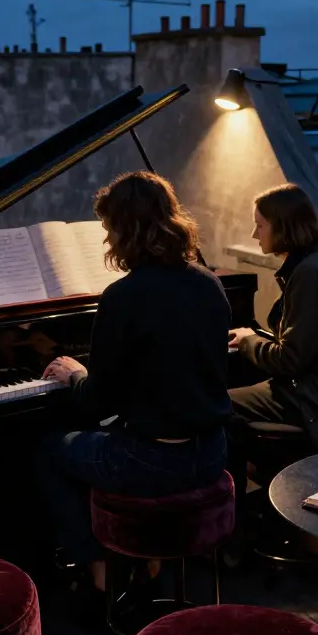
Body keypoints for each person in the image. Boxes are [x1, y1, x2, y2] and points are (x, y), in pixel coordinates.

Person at [35, 171, 232, 597]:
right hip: (212, 452)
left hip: (152, 462)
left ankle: (99, 568)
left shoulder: (123, 296)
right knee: (107, 435)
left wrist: (75, 374)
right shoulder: (209, 283)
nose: (107, 241)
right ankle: (151, 555)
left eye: (109, 230)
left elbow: (94, 401)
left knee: (50, 447)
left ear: (124, 231)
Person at [227, 183, 318, 451]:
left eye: (260, 225)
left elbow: (289, 359)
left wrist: (247, 341)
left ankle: (236, 490)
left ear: (283, 226)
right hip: (311, 389)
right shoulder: (310, 265)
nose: (255, 234)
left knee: (216, 405)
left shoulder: (310, 274)